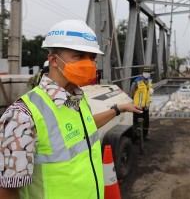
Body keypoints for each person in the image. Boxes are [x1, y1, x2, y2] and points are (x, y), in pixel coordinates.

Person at [0, 20, 142, 199]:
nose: (89, 64)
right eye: (79, 56)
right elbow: (8, 189)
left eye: (92, 58)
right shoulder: (23, 115)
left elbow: (85, 127)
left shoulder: (78, 99)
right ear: (53, 60)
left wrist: (119, 108)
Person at [131, 66, 153, 141]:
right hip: (138, 106)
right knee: (137, 122)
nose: (148, 74)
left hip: (146, 106)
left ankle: (144, 136)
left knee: (146, 122)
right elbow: (132, 92)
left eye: (149, 72)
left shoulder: (149, 80)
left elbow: (148, 92)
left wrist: (150, 93)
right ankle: (136, 138)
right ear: (143, 73)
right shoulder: (136, 81)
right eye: (146, 72)